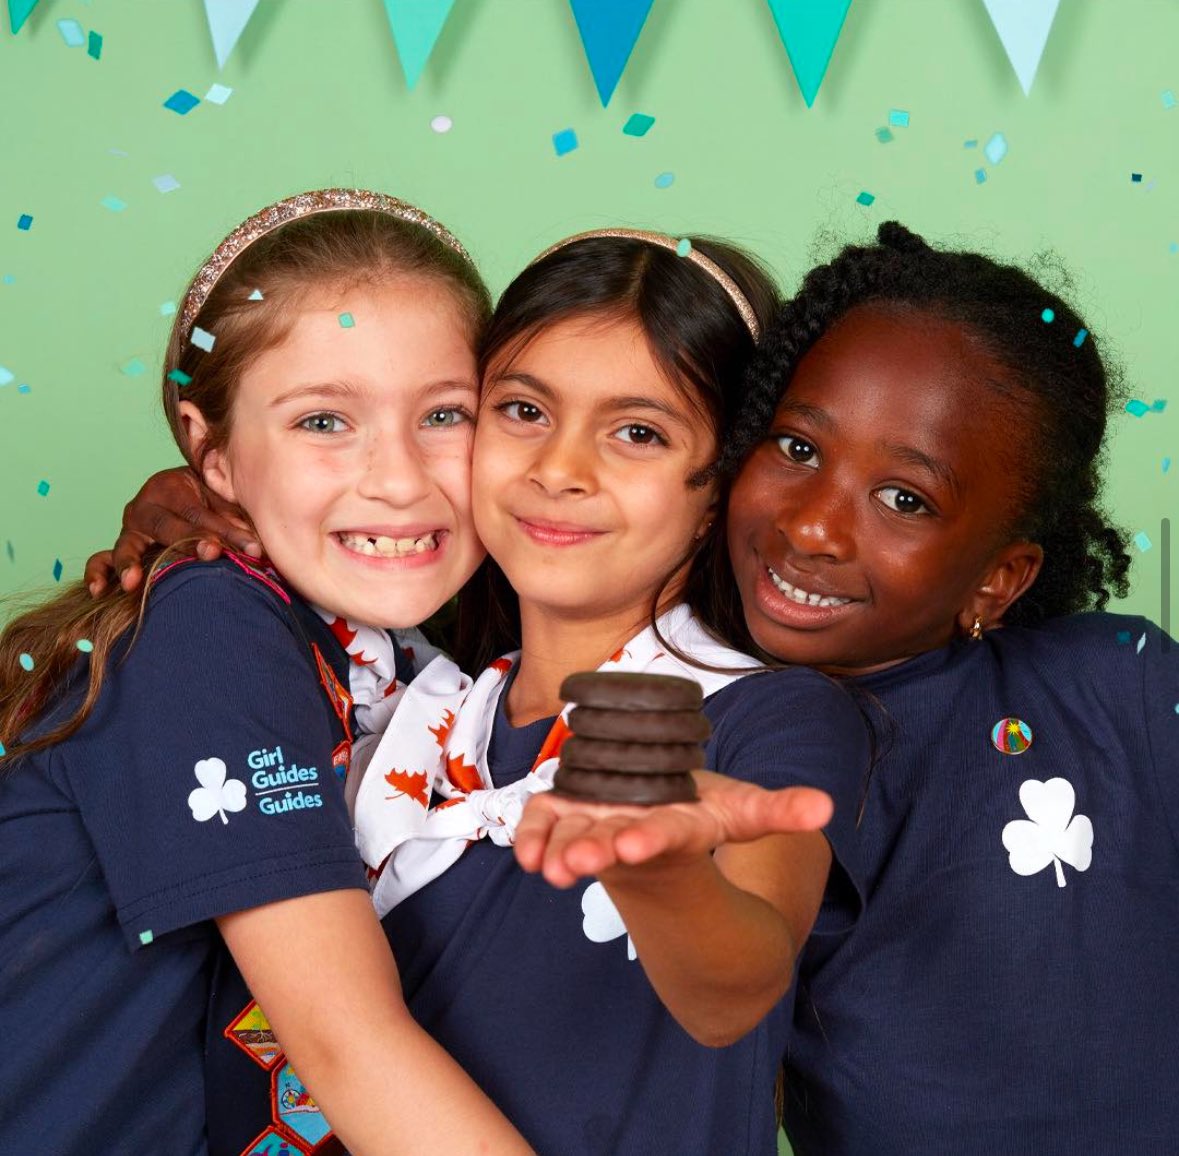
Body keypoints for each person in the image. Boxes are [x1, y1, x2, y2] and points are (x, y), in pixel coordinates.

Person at [85, 228, 873, 1155]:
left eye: (639, 433)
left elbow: (733, 988)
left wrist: (659, 874)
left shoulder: (764, 713)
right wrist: (217, 487)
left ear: (721, 484)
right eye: (521, 411)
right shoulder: (410, 702)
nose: (558, 469)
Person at [0, 189, 533, 1156]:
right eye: (324, 421)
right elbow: (343, 1039)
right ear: (213, 457)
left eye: (446, 414)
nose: (400, 477)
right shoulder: (208, 622)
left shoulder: (409, 658)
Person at [717, 221, 1179, 1153]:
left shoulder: (1116, 686)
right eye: (798, 448)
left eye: (904, 499)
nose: (811, 527)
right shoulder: (733, 740)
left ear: (996, 581)